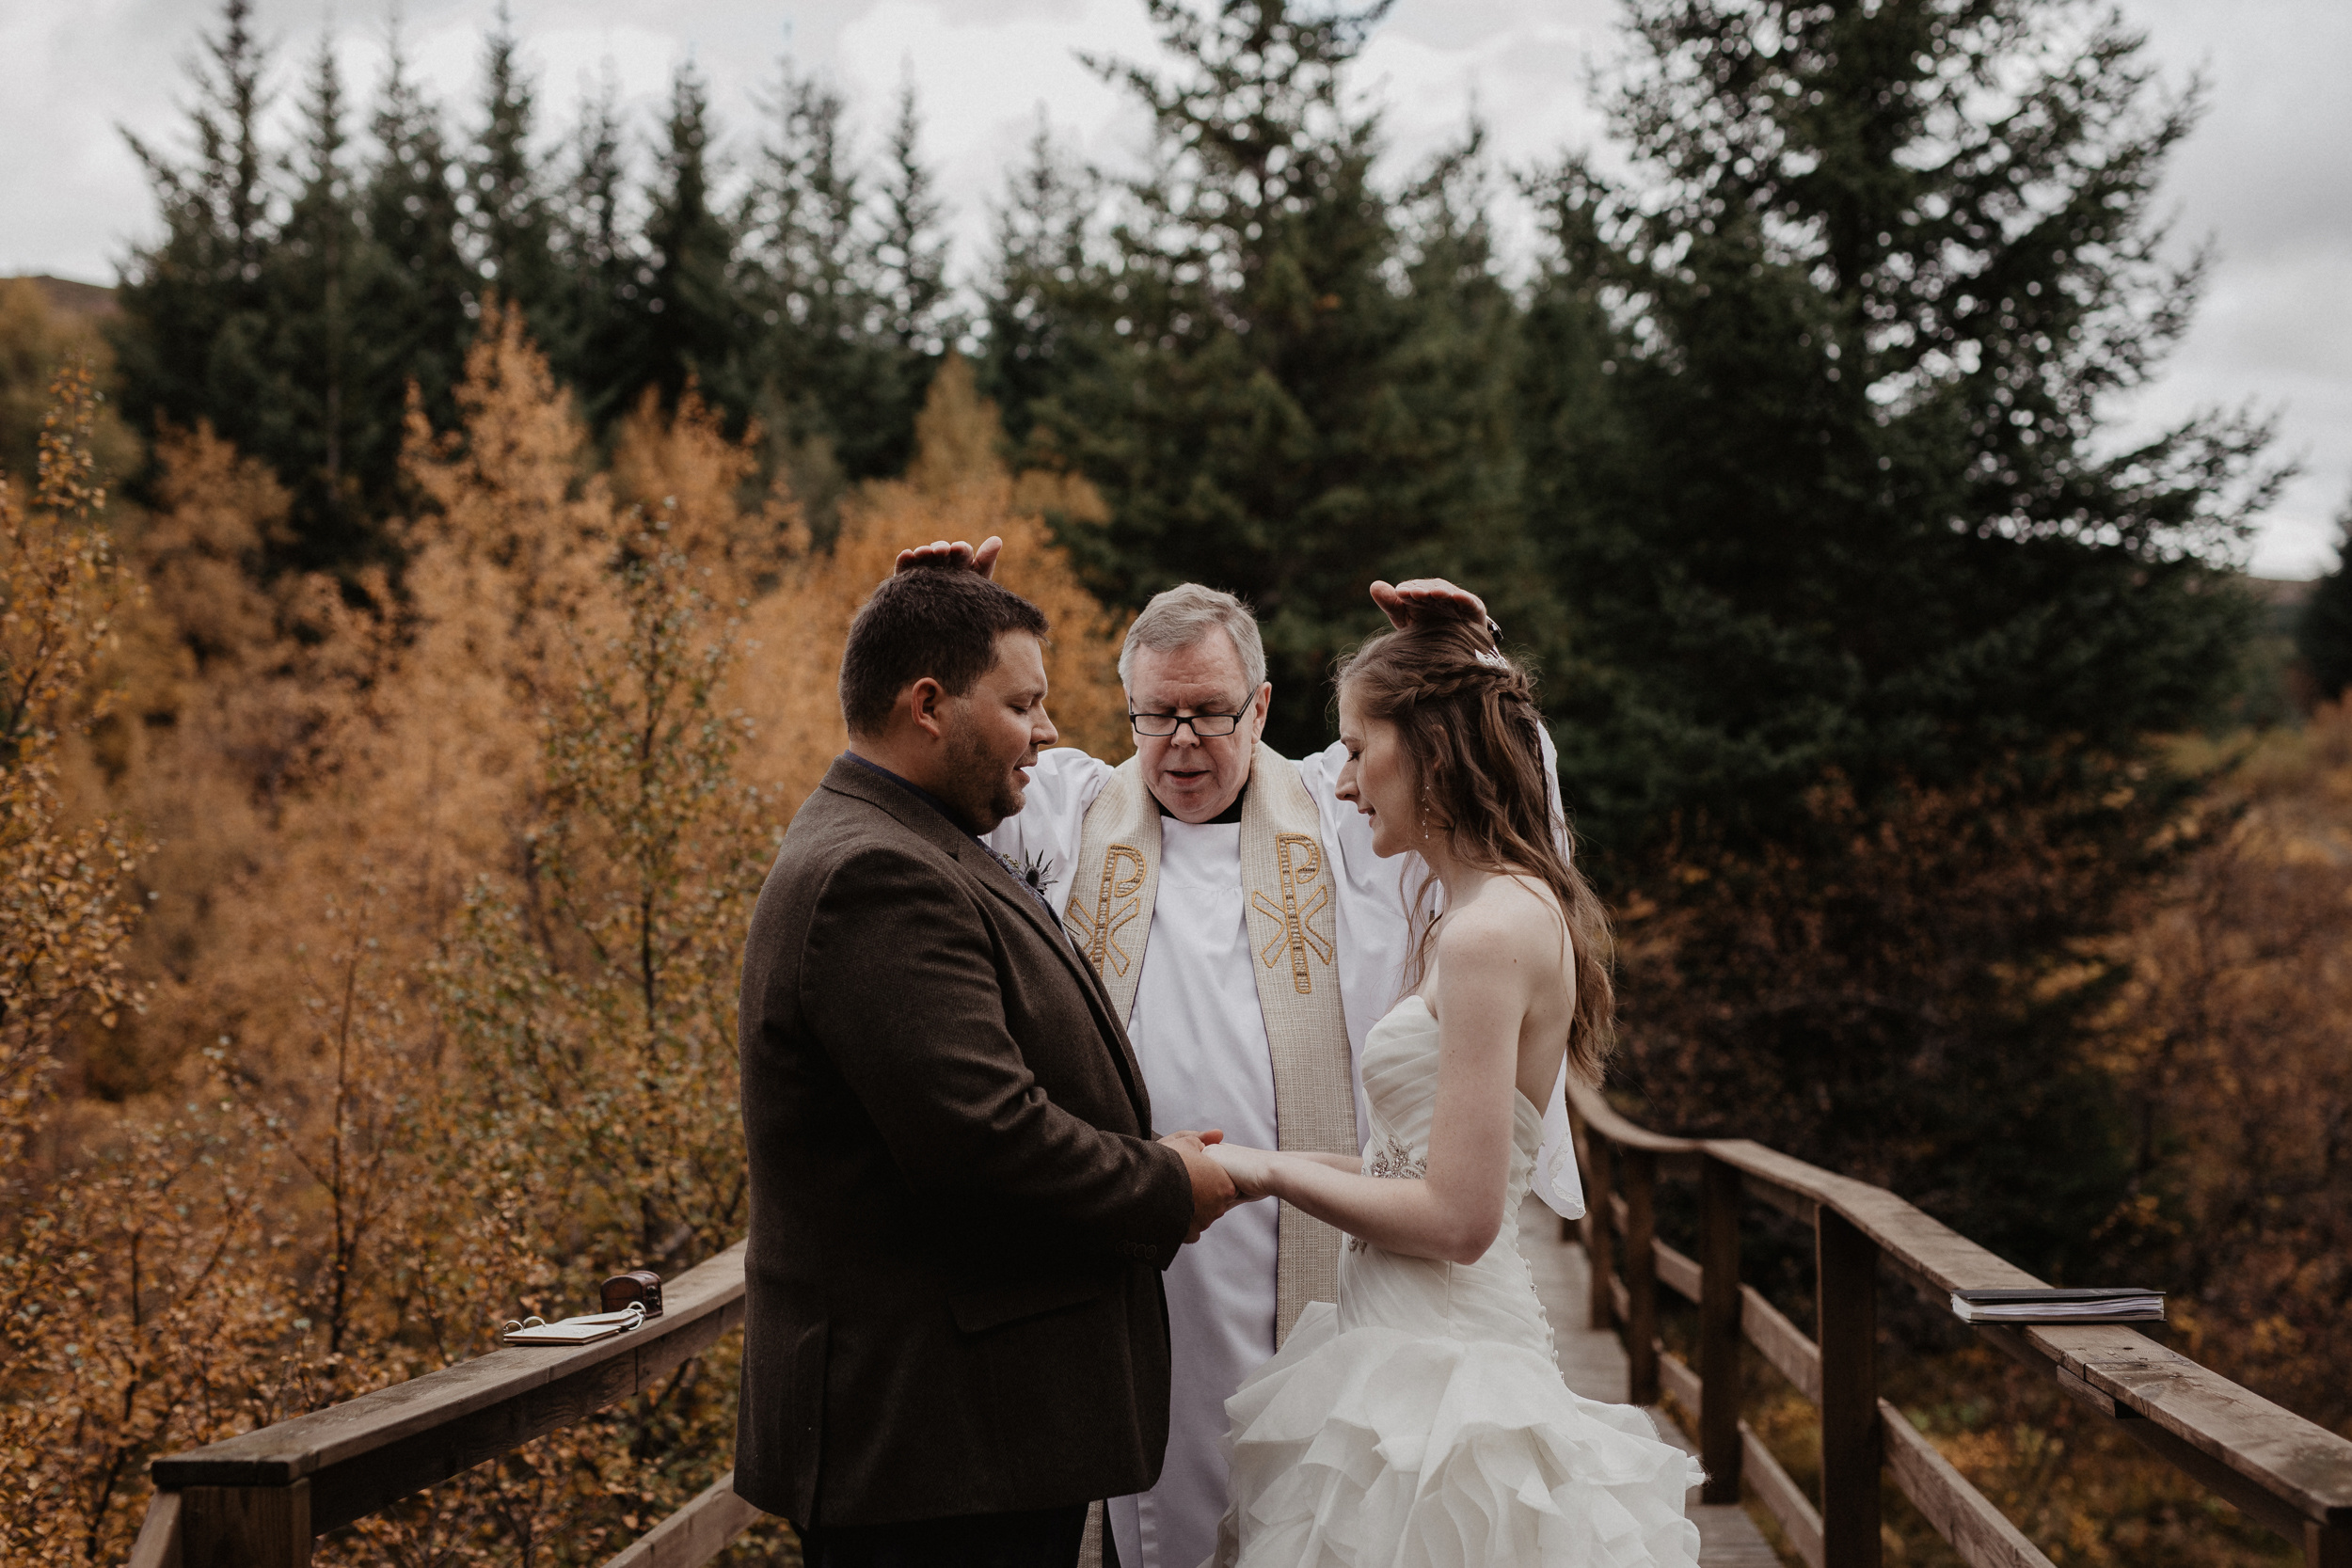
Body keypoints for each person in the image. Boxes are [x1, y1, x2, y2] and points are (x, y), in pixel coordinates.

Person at [895, 538, 1587, 1568]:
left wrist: (1472, 668)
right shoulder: (1072, 810)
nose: (1180, 742)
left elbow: (1506, 805)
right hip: (1137, 1229)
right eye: (1155, 715)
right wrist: (936, 630)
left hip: (1317, 1235)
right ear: (1126, 710)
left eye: (1210, 712)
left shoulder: (1343, 808)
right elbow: (928, 783)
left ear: (1260, 707)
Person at [732, 563, 1242, 1568]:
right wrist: (1166, 1182)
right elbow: (987, 1138)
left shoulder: (912, 838)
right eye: (1022, 703)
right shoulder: (878, 873)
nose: (1047, 733)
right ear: (929, 706)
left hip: (967, 1442)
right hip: (935, 1453)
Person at [1197, 617, 1704, 1567]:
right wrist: (1249, 1162)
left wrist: (1266, 1173)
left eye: (1358, 750)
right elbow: (1410, 1167)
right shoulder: (1485, 909)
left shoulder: (1485, 933)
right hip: (1402, 1346)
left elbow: (1459, 1218)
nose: (1343, 783)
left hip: (1446, 1372)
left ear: (1430, 747)